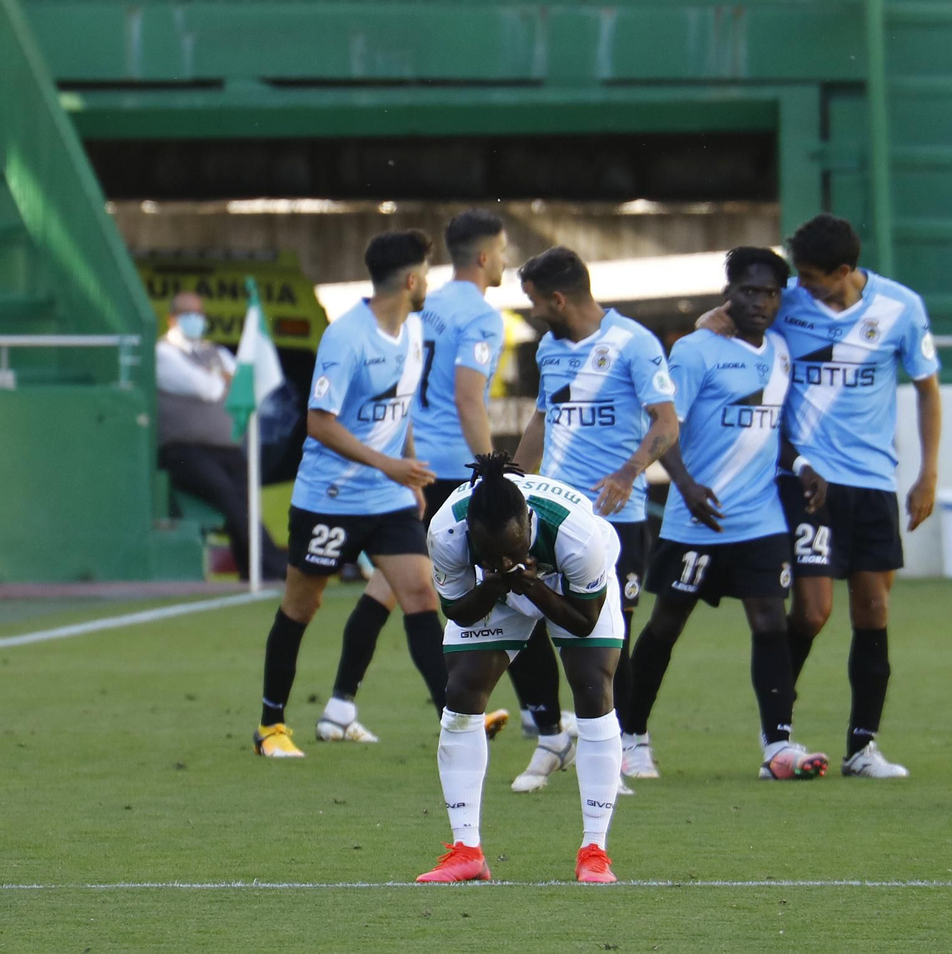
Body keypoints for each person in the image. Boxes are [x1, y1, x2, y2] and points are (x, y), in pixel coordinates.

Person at [699, 214, 942, 777]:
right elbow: (724, 324)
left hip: (874, 482)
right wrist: (709, 319)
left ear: (844, 271)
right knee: (811, 612)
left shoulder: (901, 308)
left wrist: (928, 473)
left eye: (809, 277)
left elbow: (928, 390)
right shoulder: (789, 305)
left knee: (873, 609)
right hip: (807, 480)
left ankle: (863, 747)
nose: (798, 287)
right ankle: (777, 737)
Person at [625, 247, 832, 779]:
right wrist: (686, 486)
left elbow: (769, 429)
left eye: (769, 293)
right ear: (728, 294)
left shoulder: (780, 351)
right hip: (696, 520)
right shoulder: (695, 351)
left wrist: (802, 464)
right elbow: (663, 427)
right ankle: (631, 737)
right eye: (748, 291)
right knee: (666, 625)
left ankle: (777, 746)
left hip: (759, 519)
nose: (760, 302)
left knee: (770, 624)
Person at [254, 230, 451, 758]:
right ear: (410, 280)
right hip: (330, 497)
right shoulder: (346, 338)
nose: (428, 283)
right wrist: (390, 465)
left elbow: (400, 408)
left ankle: (456, 721)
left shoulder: (413, 330)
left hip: (387, 498)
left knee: (420, 593)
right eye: (426, 274)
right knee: (303, 605)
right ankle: (271, 725)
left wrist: (407, 476)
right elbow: (319, 423)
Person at [334, 209, 515, 742]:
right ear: (484, 257)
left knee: (391, 587)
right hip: (454, 469)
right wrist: (492, 470)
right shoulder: (481, 316)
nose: (506, 261)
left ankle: (340, 705)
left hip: (413, 460)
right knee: (506, 579)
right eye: (504, 251)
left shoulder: (420, 305)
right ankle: (537, 717)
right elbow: (468, 399)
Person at [508, 246, 679, 791]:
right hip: (551, 513)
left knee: (608, 636)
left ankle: (617, 748)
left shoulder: (634, 343)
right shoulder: (549, 349)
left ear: (559, 299)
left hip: (614, 519)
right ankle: (552, 733)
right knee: (516, 611)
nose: (533, 312)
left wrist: (629, 472)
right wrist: (511, 485)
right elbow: (542, 421)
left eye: (535, 301)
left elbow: (666, 423)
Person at [415, 453, 626, 885]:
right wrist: (496, 582)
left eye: (512, 551)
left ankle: (594, 852)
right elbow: (458, 611)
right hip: (497, 591)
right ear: (471, 535)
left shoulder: (578, 536)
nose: (503, 560)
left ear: (529, 523)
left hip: (568, 586)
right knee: (461, 691)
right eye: (490, 555)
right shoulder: (447, 531)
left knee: (593, 688)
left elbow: (583, 621)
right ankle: (466, 850)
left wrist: (528, 583)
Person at [155, 291, 288, 581]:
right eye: (188, 313)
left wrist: (222, 378)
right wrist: (221, 379)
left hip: (227, 450)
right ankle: (275, 566)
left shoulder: (216, 352)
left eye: (199, 313)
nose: (195, 319)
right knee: (229, 498)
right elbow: (206, 388)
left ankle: (254, 569)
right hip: (184, 452)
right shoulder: (163, 354)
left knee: (244, 504)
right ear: (172, 319)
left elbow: (242, 383)